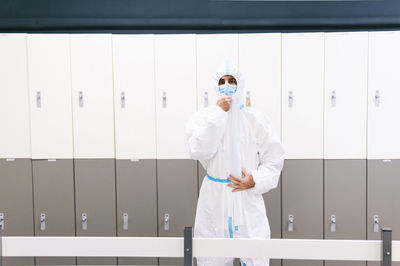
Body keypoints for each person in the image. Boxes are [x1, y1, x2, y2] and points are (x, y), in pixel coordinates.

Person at [185, 61, 285, 266]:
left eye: (232, 80)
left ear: (241, 84)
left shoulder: (255, 119)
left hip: (246, 197)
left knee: (256, 256)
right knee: (211, 258)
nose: (227, 85)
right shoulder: (203, 118)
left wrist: (255, 180)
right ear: (215, 85)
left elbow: (274, 159)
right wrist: (218, 114)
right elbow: (197, 150)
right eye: (222, 81)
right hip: (214, 199)